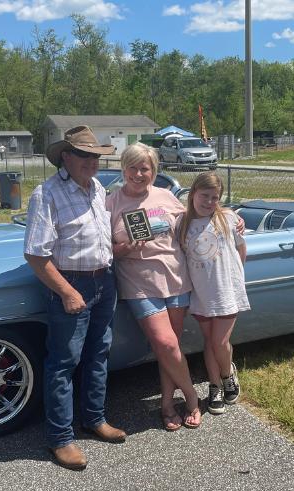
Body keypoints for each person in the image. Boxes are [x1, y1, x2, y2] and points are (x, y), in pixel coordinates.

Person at [23, 125, 125, 471]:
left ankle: (94, 419)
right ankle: (60, 439)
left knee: (99, 354)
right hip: (71, 283)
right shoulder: (46, 194)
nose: (91, 161)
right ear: (65, 156)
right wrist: (66, 291)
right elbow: (36, 255)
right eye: (84, 154)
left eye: (95, 155)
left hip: (103, 281)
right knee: (63, 363)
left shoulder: (97, 188)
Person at [106, 143, 201, 431]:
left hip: (175, 277)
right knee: (165, 343)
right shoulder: (110, 203)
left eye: (144, 168)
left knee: (168, 350)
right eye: (132, 167)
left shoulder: (167, 197)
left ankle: (167, 405)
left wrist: (232, 223)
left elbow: (195, 222)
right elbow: (103, 248)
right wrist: (123, 249)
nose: (138, 173)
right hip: (138, 282)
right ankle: (193, 398)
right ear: (123, 169)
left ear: (154, 171)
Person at [178, 172, 250, 415]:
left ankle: (228, 374)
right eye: (204, 196)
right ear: (193, 194)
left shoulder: (228, 218)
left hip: (226, 292)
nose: (209, 202)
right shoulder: (183, 223)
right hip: (201, 294)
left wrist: (234, 277)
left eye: (214, 197)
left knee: (220, 341)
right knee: (209, 342)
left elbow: (241, 249)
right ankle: (215, 384)